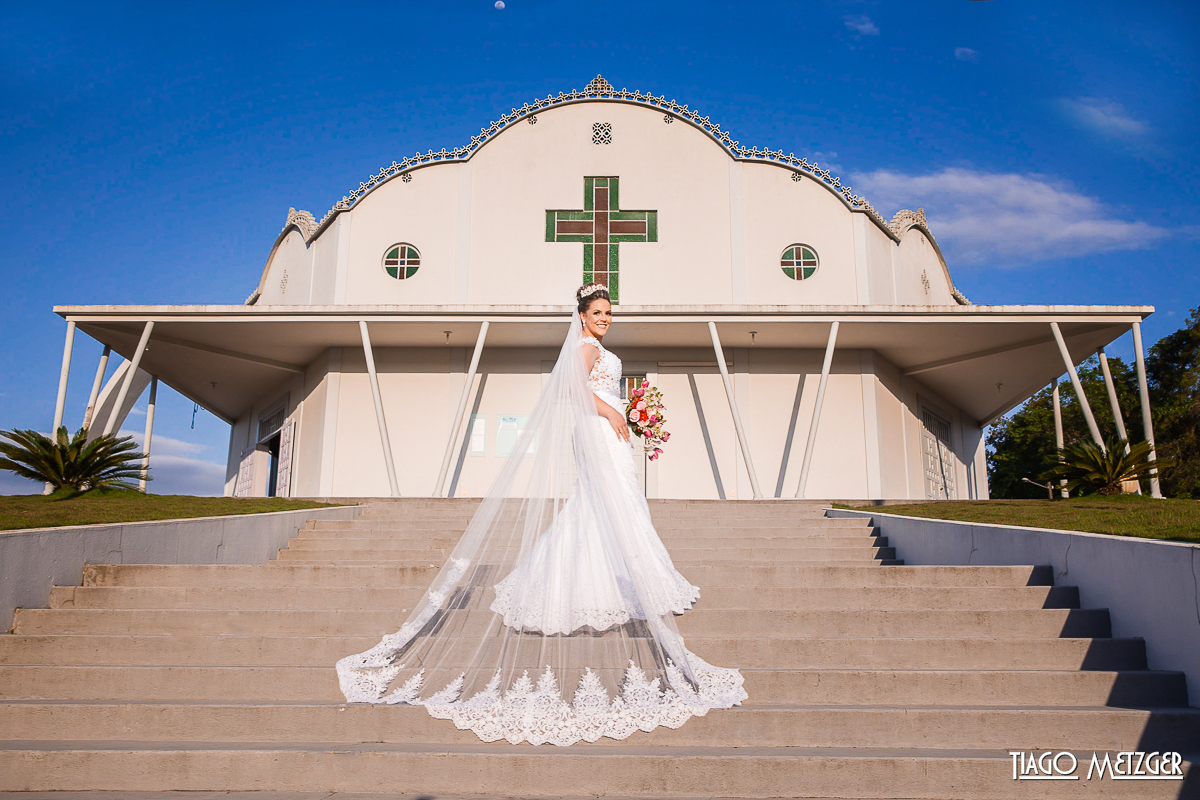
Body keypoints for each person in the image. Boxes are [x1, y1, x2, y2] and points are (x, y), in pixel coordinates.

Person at [337, 283, 745, 746]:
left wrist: (630, 412)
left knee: (607, 501)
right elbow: (571, 393)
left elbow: (597, 389)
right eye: (598, 312)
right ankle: (605, 577)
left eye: (610, 312)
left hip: (604, 427)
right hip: (594, 430)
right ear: (583, 315)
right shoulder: (586, 348)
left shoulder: (599, 348)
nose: (605, 318)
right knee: (611, 498)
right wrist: (613, 416)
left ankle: (615, 573)